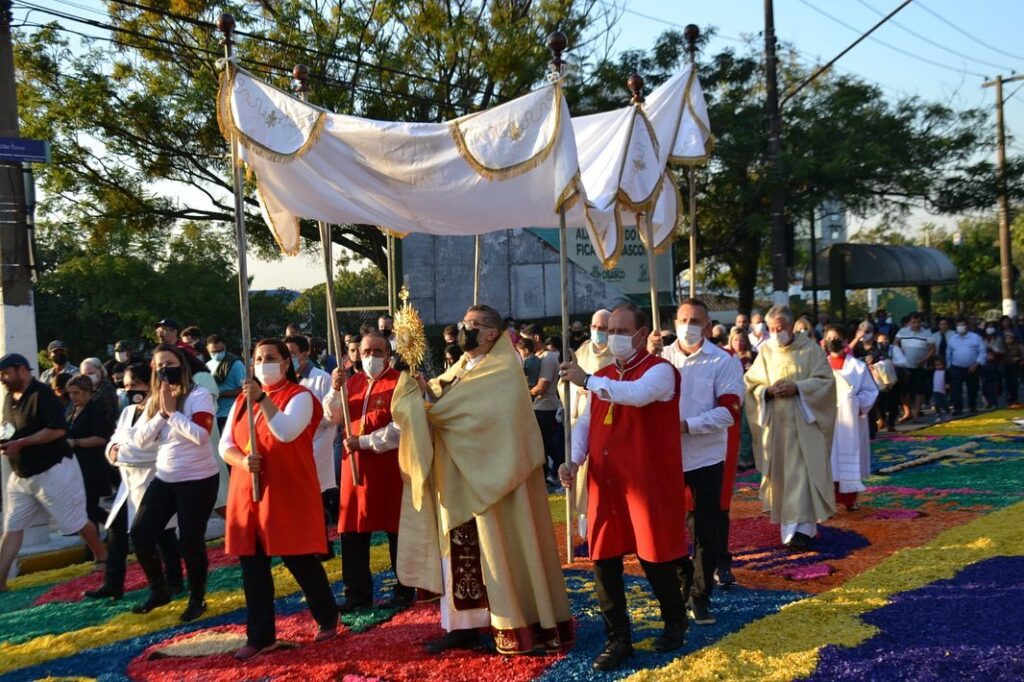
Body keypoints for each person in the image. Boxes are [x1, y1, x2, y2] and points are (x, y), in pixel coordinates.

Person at [394, 304, 574, 656]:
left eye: (474, 324)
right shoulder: (462, 366)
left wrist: (436, 409)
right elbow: (443, 403)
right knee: (460, 553)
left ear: (493, 332)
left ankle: (510, 622)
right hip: (459, 473)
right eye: (464, 322)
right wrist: (419, 392)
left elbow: (477, 416)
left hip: (496, 480)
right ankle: (463, 626)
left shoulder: (504, 369)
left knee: (498, 549)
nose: (465, 328)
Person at [559, 302, 688, 671]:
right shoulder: (602, 375)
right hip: (606, 481)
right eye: (609, 330)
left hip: (646, 482)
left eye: (620, 330)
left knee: (655, 558)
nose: (612, 337)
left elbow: (635, 395)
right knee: (603, 561)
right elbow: (586, 422)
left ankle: (675, 618)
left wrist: (586, 381)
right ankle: (619, 638)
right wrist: (574, 459)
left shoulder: (660, 372)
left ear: (641, 333)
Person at [220, 338, 339, 660]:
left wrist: (262, 400)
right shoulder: (241, 402)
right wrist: (242, 460)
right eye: (258, 358)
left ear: (286, 363)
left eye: (270, 358)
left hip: (286, 491)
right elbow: (225, 444)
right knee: (253, 567)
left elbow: (286, 432)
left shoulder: (301, 397)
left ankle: (327, 615)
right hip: (247, 490)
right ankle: (261, 636)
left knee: (298, 559)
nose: (263, 364)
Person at [650, 299, 744, 621]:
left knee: (706, 529)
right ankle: (684, 580)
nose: (688, 325)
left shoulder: (723, 361)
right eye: (683, 319)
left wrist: (687, 426)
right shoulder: (661, 358)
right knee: (665, 525)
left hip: (705, 456)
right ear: (674, 321)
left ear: (707, 325)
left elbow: (729, 411)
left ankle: (700, 595)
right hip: (666, 456)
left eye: (695, 320)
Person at [0, 353, 108, 591]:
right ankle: (0, 581)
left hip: (54, 469)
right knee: (11, 527)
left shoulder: (42, 394)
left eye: (6, 373)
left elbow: (57, 431)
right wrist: (7, 443)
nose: (3, 379)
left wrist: (23, 443)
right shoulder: (9, 398)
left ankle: (103, 556)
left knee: (76, 521)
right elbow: (9, 429)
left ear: (22, 370)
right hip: (21, 475)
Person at [128, 344, 218, 622]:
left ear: (182, 364)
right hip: (166, 477)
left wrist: (173, 413)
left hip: (198, 479)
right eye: (158, 365)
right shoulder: (156, 399)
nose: (164, 369)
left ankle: (197, 598)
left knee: (190, 541)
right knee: (141, 533)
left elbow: (201, 435)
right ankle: (159, 589)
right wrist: (162, 413)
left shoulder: (199, 395)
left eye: (169, 363)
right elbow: (140, 439)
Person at [325, 333, 413, 611]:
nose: (371, 357)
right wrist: (333, 390)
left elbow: (402, 429)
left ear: (388, 355)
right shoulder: (350, 382)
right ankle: (357, 593)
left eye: (377, 351)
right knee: (352, 531)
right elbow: (333, 418)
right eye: (366, 351)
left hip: (389, 468)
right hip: (354, 471)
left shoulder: (402, 383)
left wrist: (363, 441)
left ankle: (405, 588)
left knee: (396, 529)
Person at [86, 364, 183, 600]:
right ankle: (113, 582)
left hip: (152, 479)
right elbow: (115, 440)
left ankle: (173, 581)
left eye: (135, 385)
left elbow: (151, 447)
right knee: (116, 531)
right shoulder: (128, 411)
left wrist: (123, 452)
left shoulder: (160, 410)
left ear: (148, 384)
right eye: (126, 386)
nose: (130, 390)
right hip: (128, 483)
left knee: (163, 534)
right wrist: (113, 453)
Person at [744, 306, 837, 548]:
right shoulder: (765, 351)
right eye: (772, 329)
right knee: (781, 476)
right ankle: (787, 530)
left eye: (781, 328)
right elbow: (751, 384)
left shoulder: (810, 349)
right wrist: (767, 391)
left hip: (804, 426)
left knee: (802, 475)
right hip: (775, 427)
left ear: (791, 326)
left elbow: (826, 381)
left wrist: (799, 388)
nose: (776, 333)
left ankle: (803, 530)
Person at [285, 335, 338, 557]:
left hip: (317, 442)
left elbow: (332, 414)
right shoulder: (285, 381)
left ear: (305, 354)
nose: (289, 359)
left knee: (315, 495)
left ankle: (322, 544)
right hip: (293, 446)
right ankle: (305, 541)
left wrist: (307, 421)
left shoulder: (321, 379)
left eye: (293, 354)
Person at [568, 309, 614, 548]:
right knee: (581, 477)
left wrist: (594, 387)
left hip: (610, 420)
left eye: (604, 327)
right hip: (583, 416)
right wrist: (576, 391)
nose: (599, 332)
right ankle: (587, 529)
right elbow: (564, 381)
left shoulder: (618, 351)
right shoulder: (582, 351)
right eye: (595, 327)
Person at [823, 325, 877, 512]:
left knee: (847, 459)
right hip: (826, 420)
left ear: (845, 341)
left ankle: (849, 498)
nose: (833, 341)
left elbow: (870, 391)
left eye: (836, 337)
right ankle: (827, 500)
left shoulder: (858, 367)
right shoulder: (819, 366)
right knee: (826, 460)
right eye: (829, 338)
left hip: (850, 421)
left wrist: (854, 402)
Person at [65, 374, 114, 527]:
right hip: (76, 465)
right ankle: (114, 526)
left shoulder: (95, 410)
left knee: (89, 508)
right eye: (70, 393)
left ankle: (95, 546)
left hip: (92, 466)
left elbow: (100, 438)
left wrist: (76, 442)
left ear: (87, 392)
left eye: (76, 393)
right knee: (83, 507)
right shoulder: (73, 410)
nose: (72, 396)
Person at [522, 323, 561, 486]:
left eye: (526, 340)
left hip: (545, 408)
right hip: (535, 408)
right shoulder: (535, 357)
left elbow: (541, 387)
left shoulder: (548, 357)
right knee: (541, 446)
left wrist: (522, 392)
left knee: (547, 446)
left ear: (536, 337)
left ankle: (553, 475)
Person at [894, 312, 934, 422]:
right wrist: (899, 353)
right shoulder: (902, 331)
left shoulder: (926, 333)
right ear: (909, 322)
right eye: (913, 322)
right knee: (903, 391)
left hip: (919, 366)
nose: (916, 324)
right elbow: (895, 343)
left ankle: (916, 413)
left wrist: (924, 359)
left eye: (918, 322)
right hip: (905, 366)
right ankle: (908, 412)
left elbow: (932, 349)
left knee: (919, 391)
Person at [206, 334, 246, 432]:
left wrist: (221, 394)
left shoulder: (236, 363)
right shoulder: (208, 365)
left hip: (231, 413)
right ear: (208, 350)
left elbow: (244, 390)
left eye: (221, 350)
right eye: (214, 352)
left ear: (225, 347)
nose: (218, 354)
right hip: (213, 414)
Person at [947, 318, 986, 415]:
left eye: (962, 325)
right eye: (958, 325)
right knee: (956, 389)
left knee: (972, 388)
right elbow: (949, 352)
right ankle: (957, 408)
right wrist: (949, 365)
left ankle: (972, 407)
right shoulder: (953, 338)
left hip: (972, 367)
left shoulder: (976, 337)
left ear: (967, 326)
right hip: (956, 367)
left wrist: (976, 364)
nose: (960, 327)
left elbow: (982, 352)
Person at [80, 357, 120, 430]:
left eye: (91, 373)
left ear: (100, 371)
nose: (88, 376)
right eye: (85, 375)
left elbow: (112, 414)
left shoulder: (107, 388)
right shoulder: (85, 389)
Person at [932, 358, 949, 424]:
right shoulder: (934, 372)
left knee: (945, 403)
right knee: (936, 403)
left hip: (943, 390)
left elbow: (948, 379)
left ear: (943, 365)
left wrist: (947, 385)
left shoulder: (945, 372)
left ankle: (947, 413)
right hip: (936, 390)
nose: (938, 366)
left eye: (940, 365)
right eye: (936, 365)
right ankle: (938, 416)